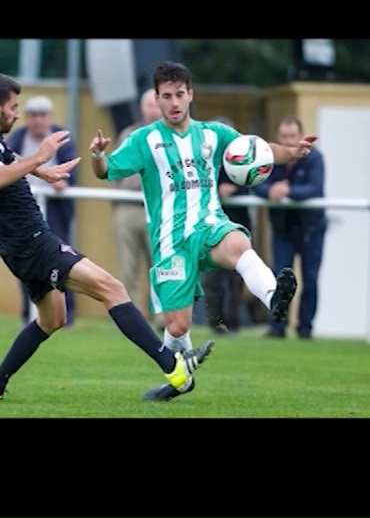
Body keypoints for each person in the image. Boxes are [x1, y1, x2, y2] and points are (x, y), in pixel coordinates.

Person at [0, 72, 214, 402]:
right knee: (113, 288)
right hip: (35, 246)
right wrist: (39, 157)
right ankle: (174, 366)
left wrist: (40, 171)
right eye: (13, 107)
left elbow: (2, 160)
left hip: (18, 249)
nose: (18, 113)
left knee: (52, 319)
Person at [89, 61, 315, 401]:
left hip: (210, 224)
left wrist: (292, 152)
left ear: (190, 94)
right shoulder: (143, 140)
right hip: (170, 241)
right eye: (167, 96)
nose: (174, 103)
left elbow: (258, 151)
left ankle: (274, 299)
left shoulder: (213, 133)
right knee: (177, 326)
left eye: (180, 94)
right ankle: (181, 379)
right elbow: (104, 172)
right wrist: (97, 155)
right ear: (158, 98)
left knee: (239, 243)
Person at [5, 95, 78, 328]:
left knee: (63, 261)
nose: (38, 121)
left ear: (50, 117)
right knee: (27, 263)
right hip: (25, 212)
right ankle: (29, 314)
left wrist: (51, 178)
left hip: (56, 212)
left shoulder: (62, 138)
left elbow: (69, 177)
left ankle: (67, 314)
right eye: (33, 116)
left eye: (42, 115)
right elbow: (8, 171)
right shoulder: (16, 140)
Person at [252, 116, 327, 339]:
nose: (288, 141)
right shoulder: (269, 158)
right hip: (282, 228)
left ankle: (305, 328)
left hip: (310, 228)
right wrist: (269, 191)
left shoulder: (315, 158)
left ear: (301, 136)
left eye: (292, 136)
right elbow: (256, 183)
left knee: (310, 278)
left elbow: (315, 188)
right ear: (278, 137)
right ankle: (277, 326)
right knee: (278, 277)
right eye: (283, 137)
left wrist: (287, 191)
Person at [112, 88, 165, 332]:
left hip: (159, 211)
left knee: (162, 267)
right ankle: (133, 322)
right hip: (127, 208)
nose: (151, 110)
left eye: (155, 105)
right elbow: (114, 169)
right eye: (148, 105)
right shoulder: (129, 134)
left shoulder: (172, 135)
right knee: (128, 268)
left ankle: (165, 320)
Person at [200, 116, 251, 335]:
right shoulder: (203, 160)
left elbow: (252, 180)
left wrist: (235, 190)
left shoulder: (242, 158)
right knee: (212, 279)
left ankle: (234, 322)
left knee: (236, 278)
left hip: (238, 225)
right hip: (211, 227)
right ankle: (216, 323)